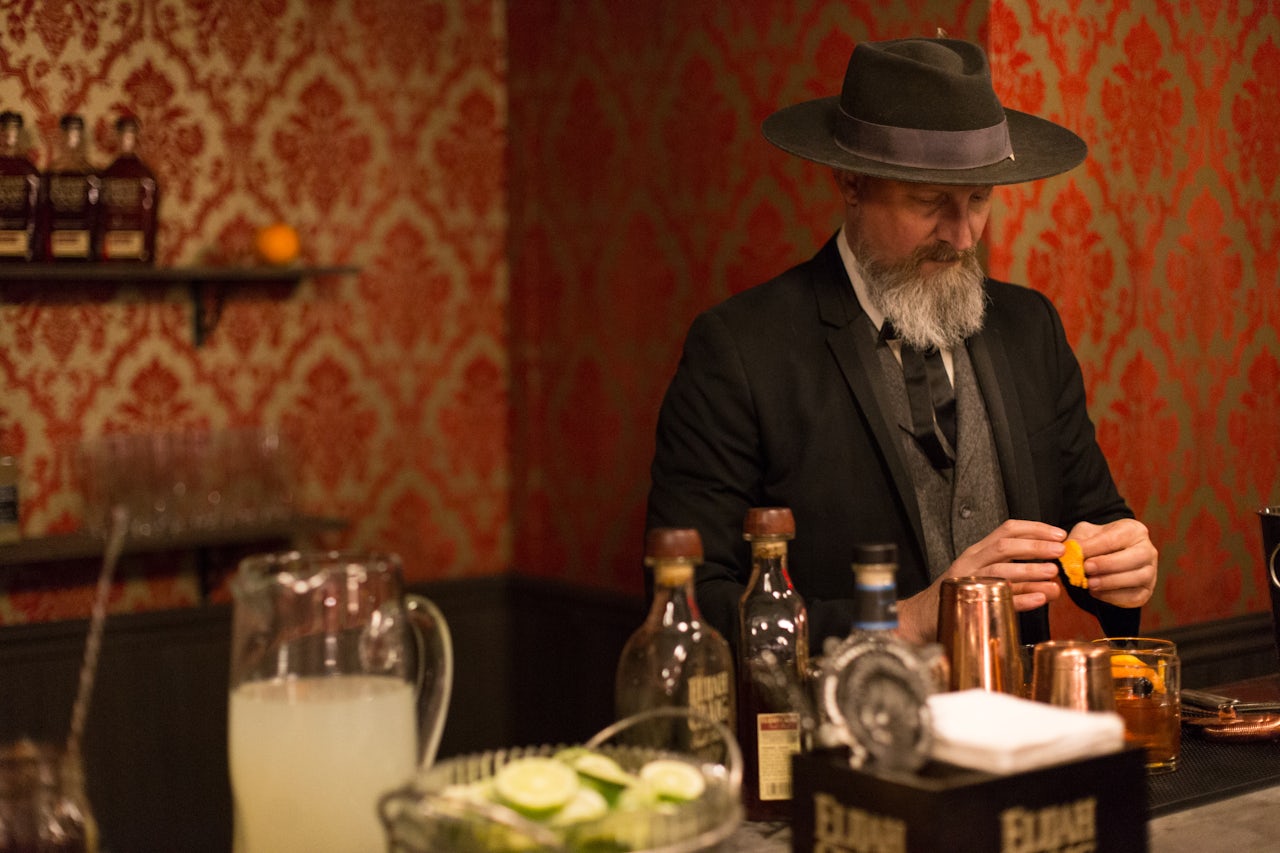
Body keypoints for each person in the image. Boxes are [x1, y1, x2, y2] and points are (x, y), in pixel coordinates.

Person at [645, 37, 1158, 650]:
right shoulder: (739, 350)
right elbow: (693, 607)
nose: (964, 236)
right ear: (852, 182)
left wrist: (1121, 561)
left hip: (1019, 735)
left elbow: (1093, 516)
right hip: (839, 736)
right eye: (930, 201)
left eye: (979, 200)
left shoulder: (1030, 328)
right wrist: (907, 618)